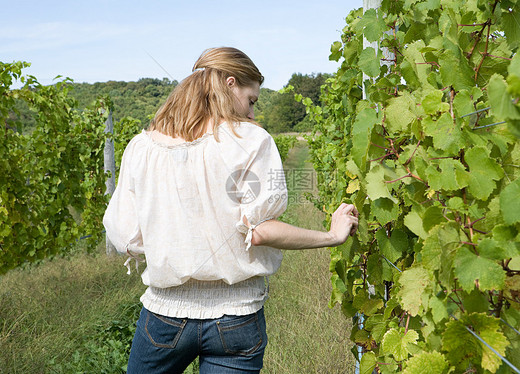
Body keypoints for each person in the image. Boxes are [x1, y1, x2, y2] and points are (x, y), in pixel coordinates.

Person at [103, 47, 358, 374]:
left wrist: (175, 244)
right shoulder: (252, 141)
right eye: (251, 100)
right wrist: (332, 236)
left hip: (164, 314)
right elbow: (261, 230)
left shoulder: (143, 146)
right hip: (235, 317)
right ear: (231, 83)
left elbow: (126, 235)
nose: (252, 114)